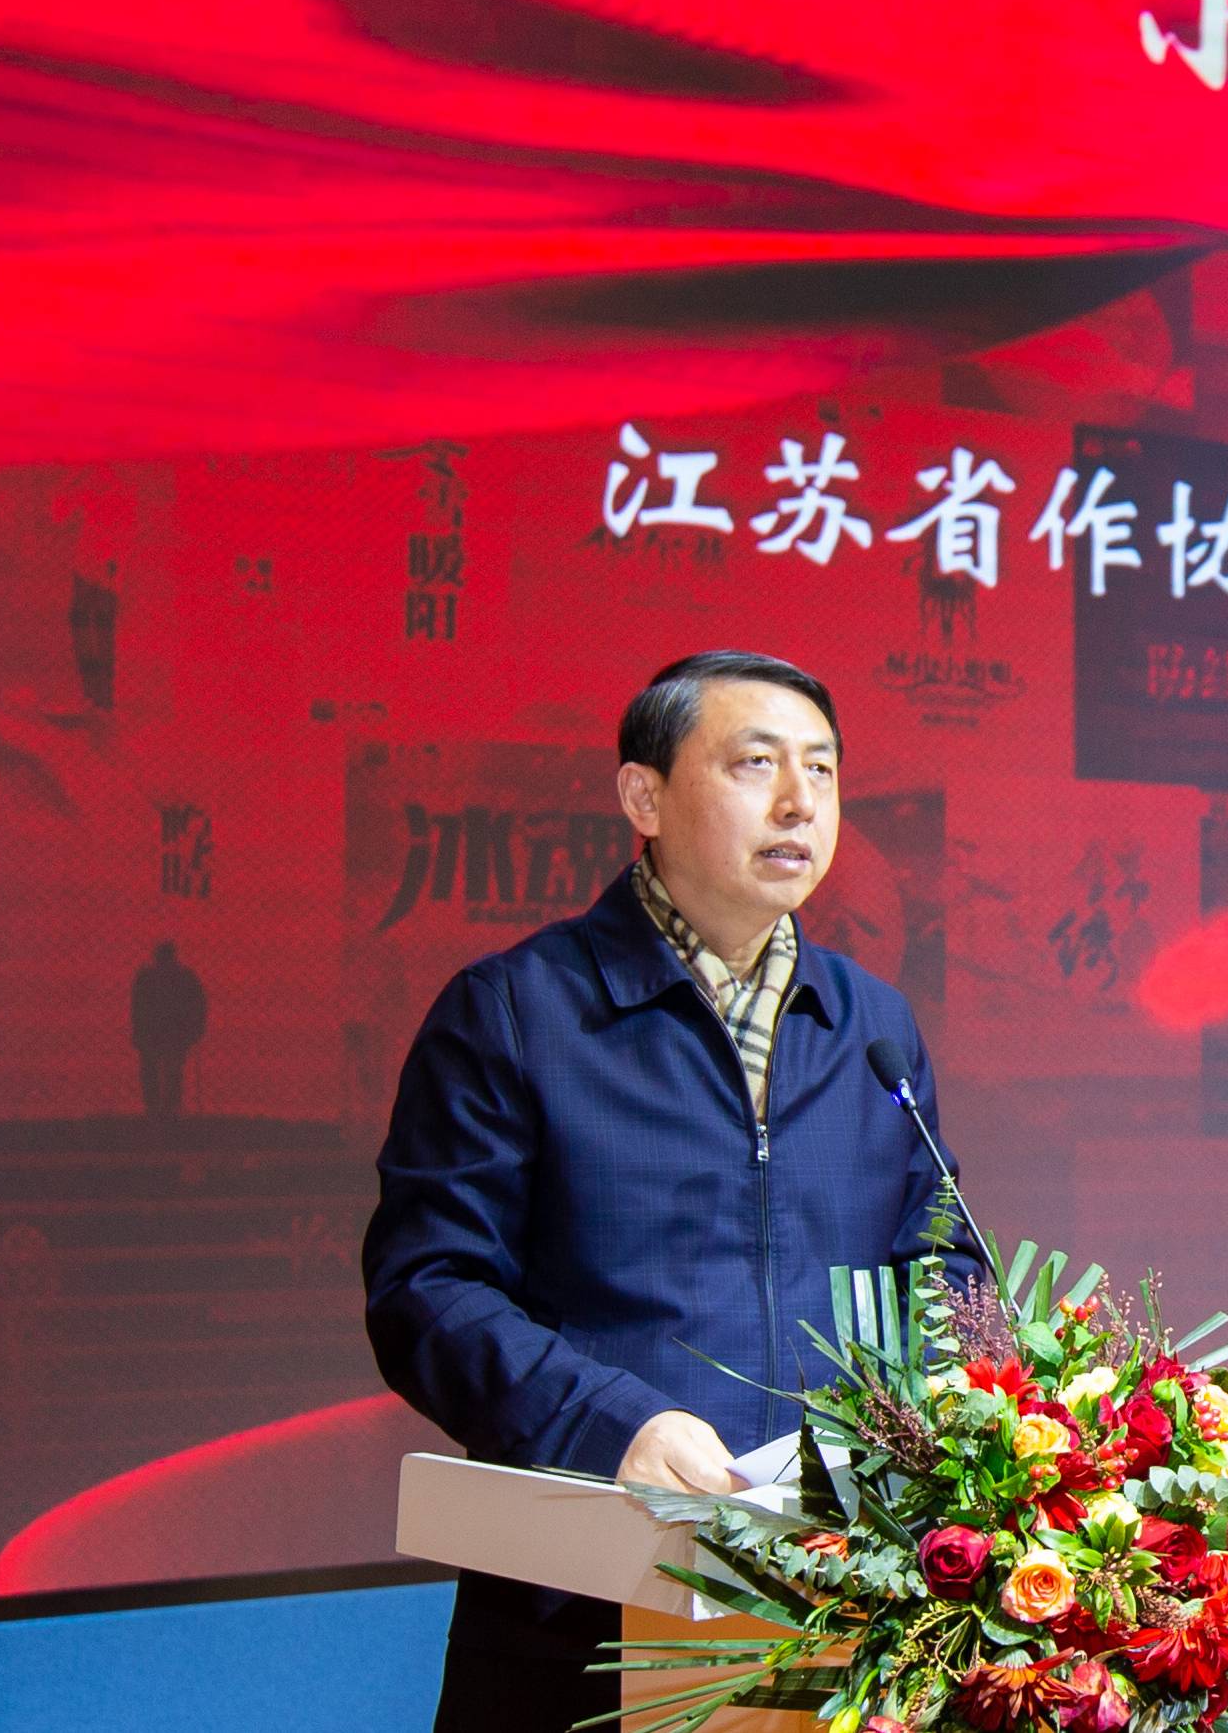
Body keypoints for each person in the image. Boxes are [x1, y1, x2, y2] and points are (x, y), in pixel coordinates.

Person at [363, 652, 980, 1733]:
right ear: (643, 797)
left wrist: (952, 1416)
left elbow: (940, 1261)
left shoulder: (872, 1024)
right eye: (756, 764)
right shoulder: (517, 1011)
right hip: (587, 1608)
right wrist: (612, 1425)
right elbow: (428, 1288)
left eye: (823, 770)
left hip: (848, 1607)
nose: (800, 803)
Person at [131, 940, 207, 1121]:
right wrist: (196, 1029)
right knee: (166, 1070)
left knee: (162, 1069)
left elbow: (137, 1007)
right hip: (167, 1032)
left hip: (163, 1032)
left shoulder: (148, 977)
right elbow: (199, 1004)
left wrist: (196, 1029)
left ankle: (161, 1107)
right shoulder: (184, 977)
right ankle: (164, 1107)